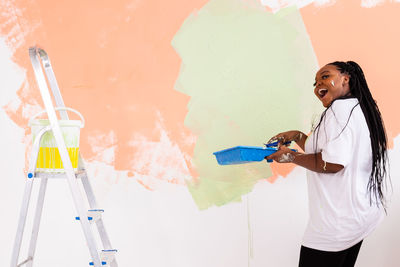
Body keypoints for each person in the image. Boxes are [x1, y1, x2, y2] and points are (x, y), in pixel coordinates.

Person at [266, 61, 388, 267]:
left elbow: (333, 164)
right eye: (315, 83)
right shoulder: (357, 108)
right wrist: (297, 136)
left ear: (345, 79)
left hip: (335, 226)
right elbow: (328, 151)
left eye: (325, 76)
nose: (318, 85)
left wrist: (291, 157)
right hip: (357, 218)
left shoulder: (339, 111)